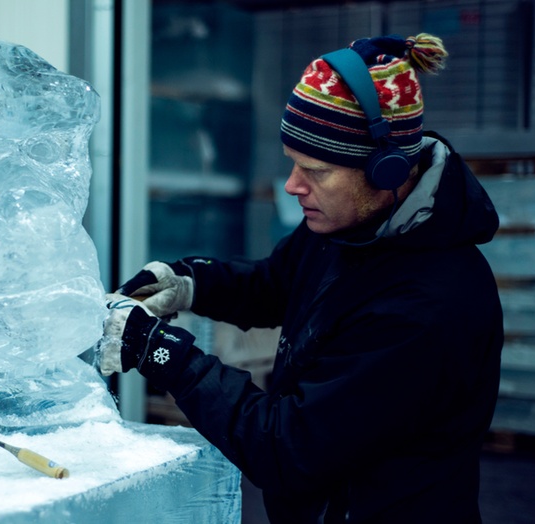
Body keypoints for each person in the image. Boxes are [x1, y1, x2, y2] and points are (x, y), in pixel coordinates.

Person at [99, 33, 503, 524]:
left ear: (387, 170)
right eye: (293, 163)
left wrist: (163, 354)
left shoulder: (427, 307)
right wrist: (191, 281)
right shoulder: (349, 226)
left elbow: (288, 448)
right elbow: (276, 284)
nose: (293, 186)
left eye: (315, 170)